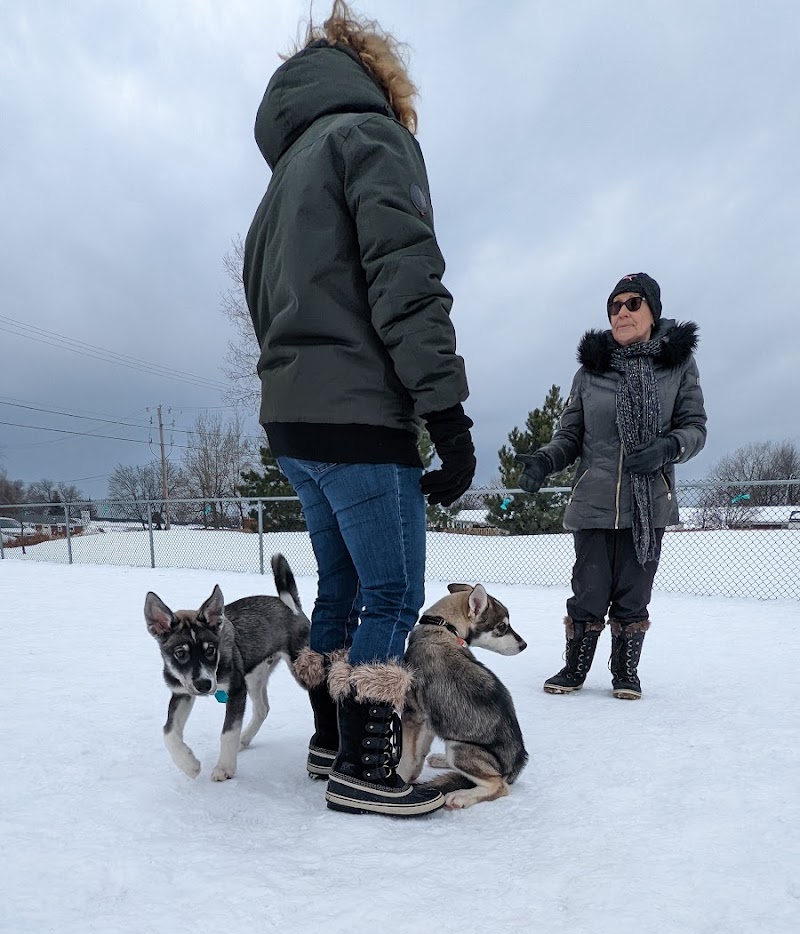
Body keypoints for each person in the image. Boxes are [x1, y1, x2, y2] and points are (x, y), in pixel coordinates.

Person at [243, 2, 475, 816]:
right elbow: (405, 282)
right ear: (378, 76)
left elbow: (268, 312)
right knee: (391, 591)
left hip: (295, 425)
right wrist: (446, 414)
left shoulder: (277, 190)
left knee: (339, 584)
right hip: (360, 418)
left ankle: (329, 739)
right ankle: (368, 769)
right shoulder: (370, 140)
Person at [520, 272, 707, 699]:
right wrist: (546, 459)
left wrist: (668, 447)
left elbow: (695, 427)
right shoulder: (590, 372)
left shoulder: (677, 366)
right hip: (594, 500)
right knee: (588, 590)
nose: (621, 312)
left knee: (633, 593)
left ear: (652, 310)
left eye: (632, 303)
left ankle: (625, 671)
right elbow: (569, 436)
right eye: (614, 305)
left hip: (650, 504)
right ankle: (574, 668)